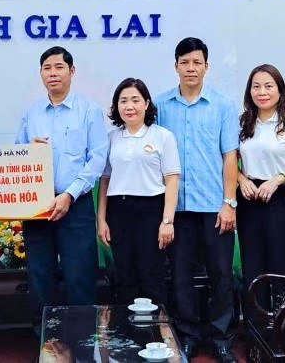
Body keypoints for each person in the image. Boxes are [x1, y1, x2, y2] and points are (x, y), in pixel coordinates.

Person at [154, 37, 239, 363]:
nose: (191, 68)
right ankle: (187, 335)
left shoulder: (222, 105)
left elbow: (229, 156)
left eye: (197, 63)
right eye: (185, 62)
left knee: (221, 273)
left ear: (206, 66)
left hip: (214, 205)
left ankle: (221, 337)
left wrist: (229, 202)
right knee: (180, 274)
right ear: (175, 66)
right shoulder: (160, 106)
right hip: (176, 208)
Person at [16, 46, 108, 310]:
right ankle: (44, 333)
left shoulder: (89, 111)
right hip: (38, 207)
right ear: (41, 73)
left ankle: (81, 333)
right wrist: (28, 150)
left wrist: (69, 194)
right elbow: (16, 154)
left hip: (75, 205)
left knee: (80, 276)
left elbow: (97, 159)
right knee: (39, 276)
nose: (53, 73)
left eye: (59, 67)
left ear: (72, 71)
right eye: (47, 68)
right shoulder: (31, 113)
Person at [235, 64, 285, 322]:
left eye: (268, 86)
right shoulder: (243, 123)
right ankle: (256, 332)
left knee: (281, 267)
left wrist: (278, 180)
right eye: (256, 86)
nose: (262, 92)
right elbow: (228, 161)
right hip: (249, 201)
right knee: (253, 269)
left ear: (280, 90)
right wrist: (241, 179)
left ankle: (283, 330)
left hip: (281, 199)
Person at [97, 77, 180, 306]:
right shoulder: (112, 138)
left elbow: (172, 180)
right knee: (125, 277)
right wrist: (101, 220)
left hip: (151, 210)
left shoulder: (162, 136)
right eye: (123, 101)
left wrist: (167, 221)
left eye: (135, 100)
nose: (129, 106)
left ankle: (159, 327)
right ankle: (127, 327)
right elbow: (105, 180)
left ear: (146, 103)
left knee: (151, 275)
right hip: (118, 211)